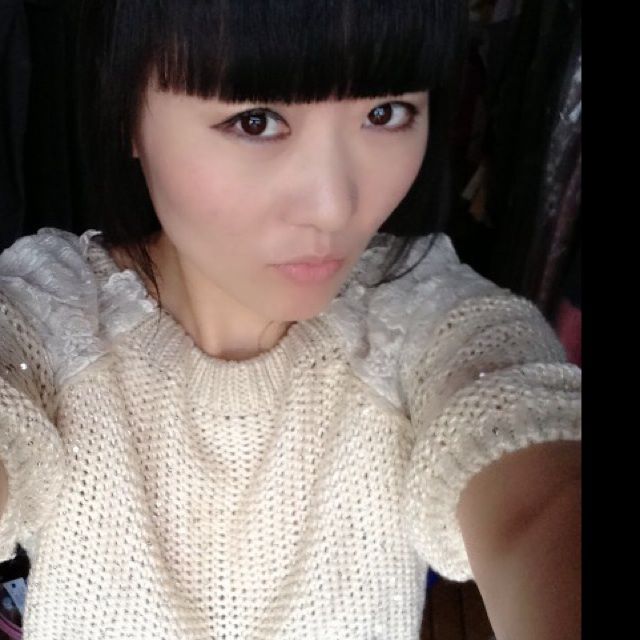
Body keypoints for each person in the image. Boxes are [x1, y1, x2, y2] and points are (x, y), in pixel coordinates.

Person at [0, 1, 581, 638]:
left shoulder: (421, 314)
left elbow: (537, 494)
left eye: (385, 113)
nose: (334, 206)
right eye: (256, 121)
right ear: (128, 115)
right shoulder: (50, 316)